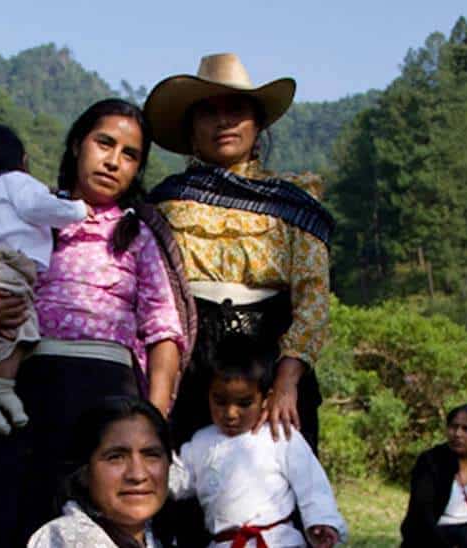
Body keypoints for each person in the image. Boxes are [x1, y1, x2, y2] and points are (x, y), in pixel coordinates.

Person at [0, 99, 191, 547]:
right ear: (77, 144)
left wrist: (152, 420)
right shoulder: (29, 210)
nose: (114, 161)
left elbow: (163, 331)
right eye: (104, 143)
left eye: (130, 154)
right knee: (8, 517)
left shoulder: (138, 232)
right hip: (25, 387)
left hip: (108, 396)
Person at [144, 52, 334, 452]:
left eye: (236, 110)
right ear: (191, 128)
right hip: (188, 365)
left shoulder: (294, 202)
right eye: (209, 112)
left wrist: (285, 380)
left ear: (258, 123)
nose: (224, 122)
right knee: (185, 489)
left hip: (272, 361)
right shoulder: (165, 204)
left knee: (277, 487)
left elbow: (313, 298)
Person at [0, 124, 89, 435]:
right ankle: (3, 385)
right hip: (6, 263)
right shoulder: (17, 182)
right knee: (18, 320)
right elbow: (38, 206)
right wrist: (78, 209)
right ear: (23, 160)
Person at [169, 341, 347, 548]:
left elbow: (311, 481)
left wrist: (322, 521)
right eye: (220, 401)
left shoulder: (280, 434)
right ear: (208, 395)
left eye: (244, 403)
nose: (231, 413)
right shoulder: (200, 443)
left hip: (278, 542)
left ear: (266, 398)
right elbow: (177, 482)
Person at [28, 396, 171, 548]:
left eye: (151, 455)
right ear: (83, 472)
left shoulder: (165, 537)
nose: (138, 475)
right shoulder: (62, 540)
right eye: (115, 457)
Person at [401, 404, 467, 548]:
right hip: (433, 534)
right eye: (453, 427)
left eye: (466, 429)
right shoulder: (430, 461)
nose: (457, 434)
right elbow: (422, 514)